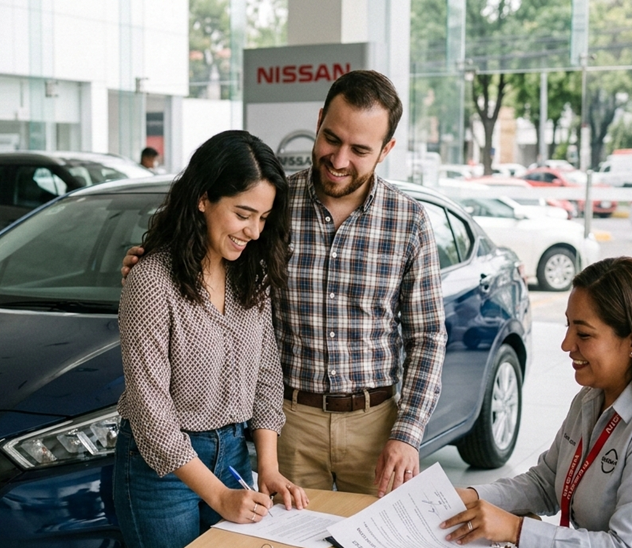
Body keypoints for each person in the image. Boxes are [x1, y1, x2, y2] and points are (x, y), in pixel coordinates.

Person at [124, 70, 446, 498]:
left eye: (360, 149)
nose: (339, 159)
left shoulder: (409, 222)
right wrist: (150, 261)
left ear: (386, 149)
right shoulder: (272, 206)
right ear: (318, 122)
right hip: (289, 424)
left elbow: (427, 335)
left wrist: (407, 432)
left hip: (376, 423)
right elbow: (204, 259)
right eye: (332, 138)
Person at [441, 257, 632, 547]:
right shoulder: (591, 397)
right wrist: (475, 497)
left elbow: (626, 545)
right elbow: (547, 482)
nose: (566, 344)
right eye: (567, 326)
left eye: (584, 334)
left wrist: (516, 530)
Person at [114, 130, 308, 548]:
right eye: (243, 214)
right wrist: (218, 495)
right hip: (160, 471)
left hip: (234, 457)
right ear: (203, 199)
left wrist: (269, 468)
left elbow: (266, 375)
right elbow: (151, 412)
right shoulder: (151, 281)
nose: (254, 231)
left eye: (263, 218)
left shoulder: (250, 275)